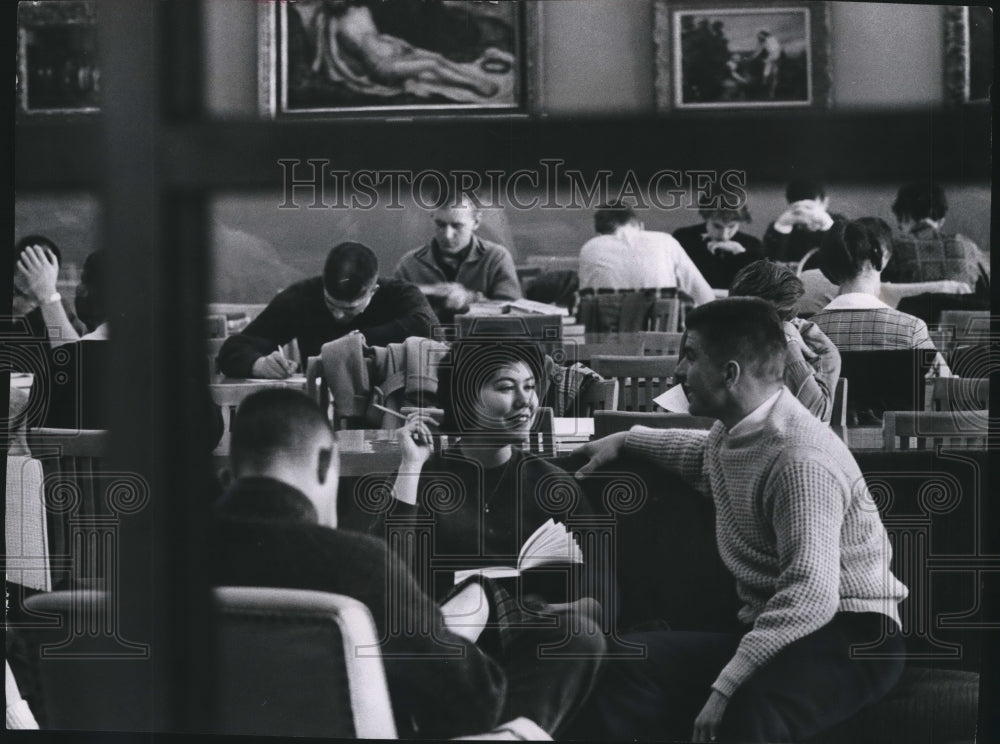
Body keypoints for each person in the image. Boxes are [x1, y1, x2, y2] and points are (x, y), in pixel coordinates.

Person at [575, 298, 908, 742]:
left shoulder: (801, 459)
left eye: (690, 357)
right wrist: (626, 439)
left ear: (730, 374)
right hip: (779, 628)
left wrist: (726, 685)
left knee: (746, 716)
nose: (676, 372)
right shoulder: (732, 431)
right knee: (628, 660)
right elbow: (701, 458)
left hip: (851, 635)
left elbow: (810, 595)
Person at [207, 388, 598, 739]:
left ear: (228, 478)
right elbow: (473, 705)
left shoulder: (159, 562)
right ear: (326, 464)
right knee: (574, 639)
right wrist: (457, 626)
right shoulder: (360, 566)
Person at [217, 241, 436, 379]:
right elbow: (233, 350)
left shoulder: (399, 294)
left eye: (349, 309)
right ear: (323, 286)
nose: (338, 316)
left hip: (389, 408)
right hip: (322, 410)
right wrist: (259, 365)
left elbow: (428, 327)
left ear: (374, 291)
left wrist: (355, 341)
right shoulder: (301, 297)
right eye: (331, 305)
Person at [809, 218, 949, 375]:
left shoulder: (806, 331)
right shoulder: (912, 328)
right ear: (883, 256)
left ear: (830, 268)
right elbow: (944, 386)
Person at [310, 0, 510, 100]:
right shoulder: (333, 25)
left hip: (394, 49)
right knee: (431, 64)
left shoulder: (362, 11)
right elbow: (332, 55)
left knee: (436, 58)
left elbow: (377, 36)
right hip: (384, 66)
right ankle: (474, 83)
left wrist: (398, 43)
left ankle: (469, 75)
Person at [728, 260, 840, 423]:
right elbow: (684, 405)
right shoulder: (712, 333)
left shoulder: (816, 347)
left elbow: (814, 415)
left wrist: (789, 342)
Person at [394, 195, 522, 323]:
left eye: (457, 226)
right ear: (432, 218)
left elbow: (516, 314)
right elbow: (392, 313)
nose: (447, 235)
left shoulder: (496, 257)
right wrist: (426, 291)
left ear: (476, 222)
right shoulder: (409, 263)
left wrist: (470, 300)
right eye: (440, 224)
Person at [578, 201, 715, 305]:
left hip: (604, 339)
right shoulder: (665, 241)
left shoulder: (590, 248)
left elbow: (585, 304)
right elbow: (706, 297)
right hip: (660, 339)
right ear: (641, 227)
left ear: (599, 234)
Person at [883, 182, 990, 295]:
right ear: (941, 219)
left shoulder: (893, 249)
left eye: (899, 219)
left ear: (905, 216)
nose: (899, 227)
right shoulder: (968, 246)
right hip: (962, 311)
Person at [673, 191, 766, 290]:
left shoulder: (752, 245)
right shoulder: (683, 238)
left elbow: (758, 288)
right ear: (706, 217)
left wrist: (739, 253)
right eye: (717, 226)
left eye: (731, 226)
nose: (724, 235)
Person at [12, 235, 87, 344]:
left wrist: (47, 296)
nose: (15, 303)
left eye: (46, 262)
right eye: (15, 292)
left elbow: (74, 354)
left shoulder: (63, 314)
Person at [762, 180, 843, 263]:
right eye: (797, 209)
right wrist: (781, 228)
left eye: (809, 208)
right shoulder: (778, 228)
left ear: (825, 202)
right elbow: (771, 264)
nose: (805, 214)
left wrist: (829, 226)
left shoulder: (840, 224)